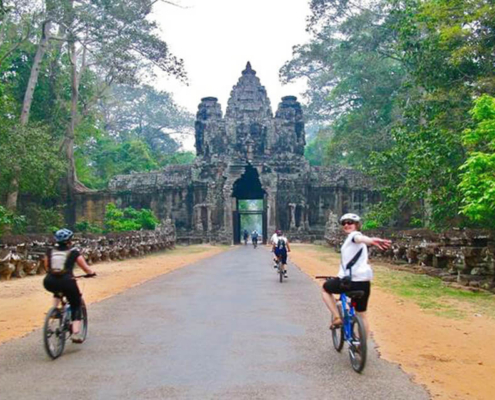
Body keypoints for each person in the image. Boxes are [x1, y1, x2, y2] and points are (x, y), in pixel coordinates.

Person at [321, 213, 391, 337]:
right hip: (364, 282)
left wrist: (371, 240)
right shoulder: (359, 243)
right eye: (344, 223)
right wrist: (370, 241)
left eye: (350, 222)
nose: (347, 225)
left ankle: (337, 317)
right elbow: (362, 240)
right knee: (362, 314)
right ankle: (361, 345)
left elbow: (359, 238)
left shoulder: (354, 236)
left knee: (325, 288)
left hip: (349, 282)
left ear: (357, 225)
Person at [43, 229, 96, 343]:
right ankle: (75, 333)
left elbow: (46, 266)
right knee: (76, 303)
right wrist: (91, 273)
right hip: (67, 281)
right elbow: (85, 268)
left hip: (49, 281)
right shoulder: (73, 252)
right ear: (70, 241)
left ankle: (54, 311)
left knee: (57, 291)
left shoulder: (50, 251)